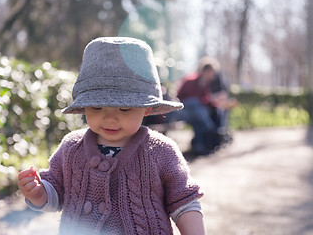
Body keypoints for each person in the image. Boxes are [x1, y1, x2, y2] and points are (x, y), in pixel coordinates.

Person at [17, 37, 205, 235]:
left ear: (147, 109)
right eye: (97, 107)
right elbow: (55, 191)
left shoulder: (161, 151)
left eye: (124, 109)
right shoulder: (71, 147)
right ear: (83, 107)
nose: (109, 118)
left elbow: (184, 202)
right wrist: (38, 193)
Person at [171, 56, 237, 155]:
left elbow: (205, 100)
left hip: (196, 113)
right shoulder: (191, 80)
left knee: (205, 113)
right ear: (205, 71)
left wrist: (217, 104)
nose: (213, 75)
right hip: (182, 111)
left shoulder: (204, 83)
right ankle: (211, 130)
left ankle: (201, 144)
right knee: (196, 104)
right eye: (212, 72)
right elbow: (182, 97)